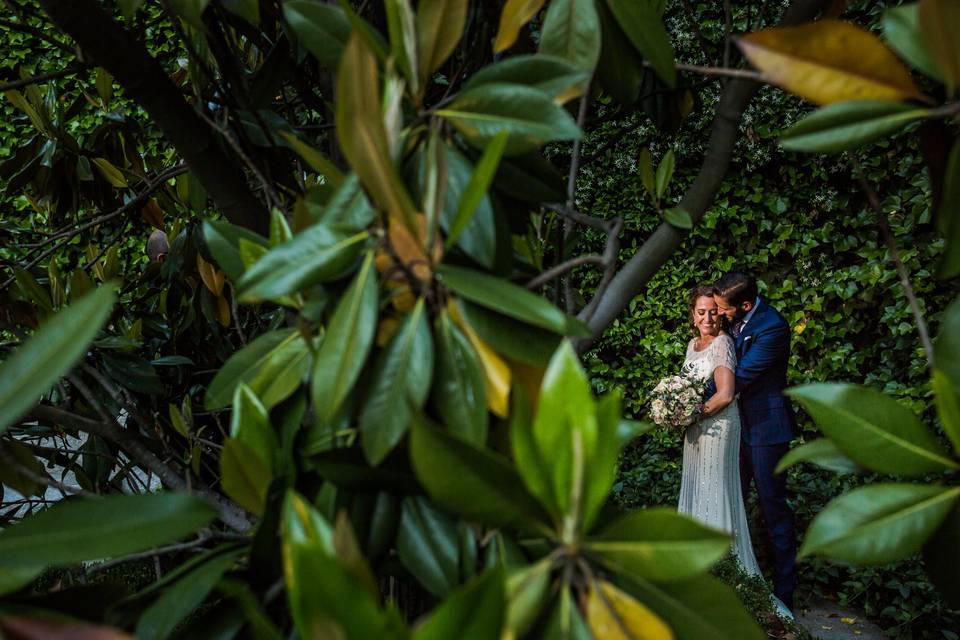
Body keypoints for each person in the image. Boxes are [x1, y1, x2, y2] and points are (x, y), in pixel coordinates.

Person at [706, 271, 798, 612]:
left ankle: (784, 594)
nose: (718, 314)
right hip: (733, 427)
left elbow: (741, 374)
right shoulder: (732, 319)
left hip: (765, 429)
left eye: (723, 309)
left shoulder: (773, 327)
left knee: (773, 509)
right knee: (732, 502)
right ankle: (740, 582)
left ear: (745, 305)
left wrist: (690, 397)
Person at [677, 286, 767, 589]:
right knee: (696, 489)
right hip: (696, 428)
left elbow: (726, 394)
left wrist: (692, 413)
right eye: (701, 312)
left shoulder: (723, 343)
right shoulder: (693, 344)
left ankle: (725, 572)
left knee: (714, 490)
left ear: (720, 314)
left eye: (713, 311)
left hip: (717, 427)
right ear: (692, 316)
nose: (708, 317)